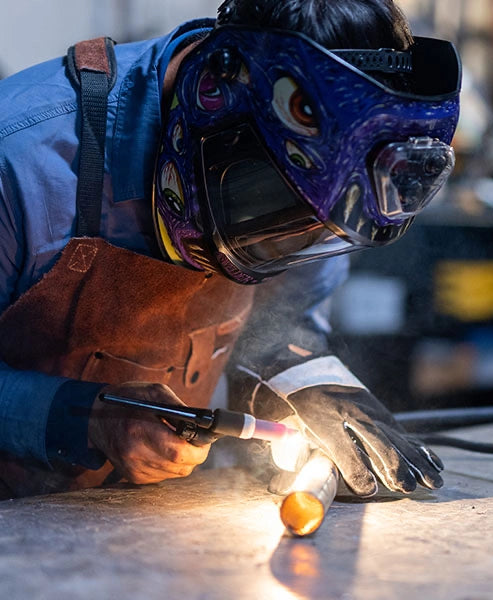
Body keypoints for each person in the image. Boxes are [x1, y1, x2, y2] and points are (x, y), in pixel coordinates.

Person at [0, 0, 461, 499]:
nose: (293, 243)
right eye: (277, 218)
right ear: (209, 103)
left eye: (315, 233)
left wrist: (305, 377)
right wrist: (88, 418)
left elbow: (288, 315)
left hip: (143, 531)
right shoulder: (19, 161)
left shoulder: (330, 180)